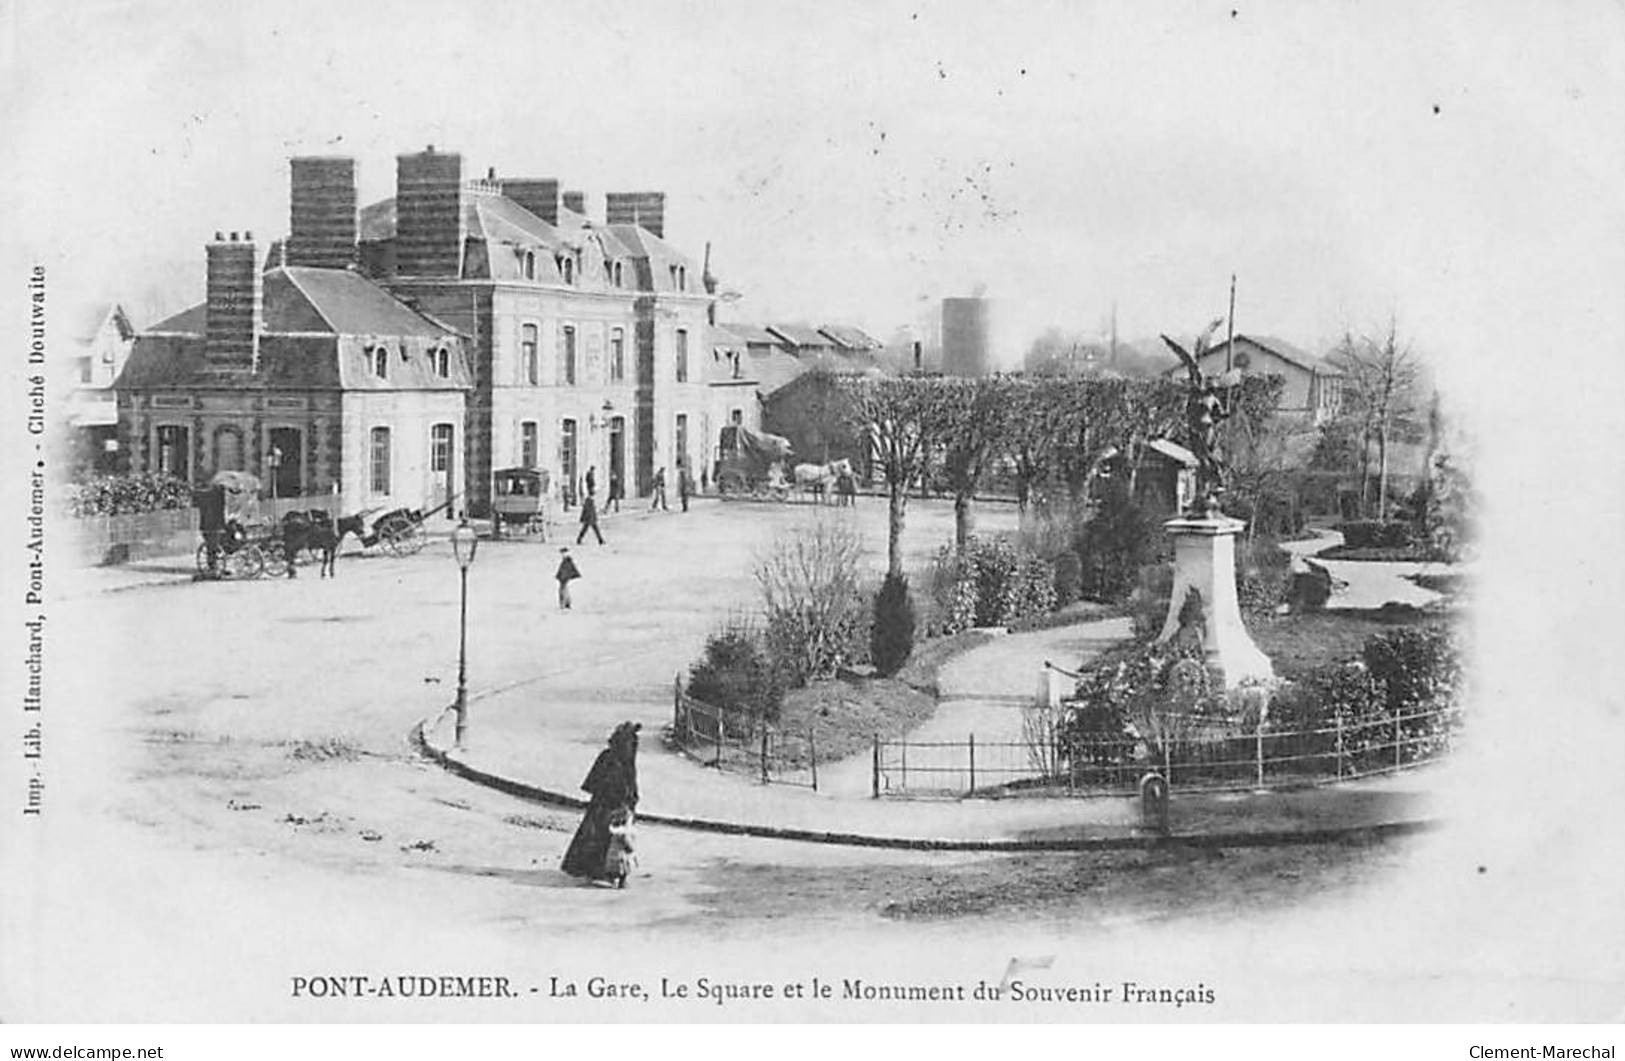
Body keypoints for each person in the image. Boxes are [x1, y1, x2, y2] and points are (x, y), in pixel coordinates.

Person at [560, 721, 641, 882]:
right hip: (608, 806)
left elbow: (596, 782)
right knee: (605, 840)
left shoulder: (619, 758)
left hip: (607, 806)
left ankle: (603, 870)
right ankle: (602, 870)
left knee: (608, 840)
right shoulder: (617, 758)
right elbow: (625, 784)